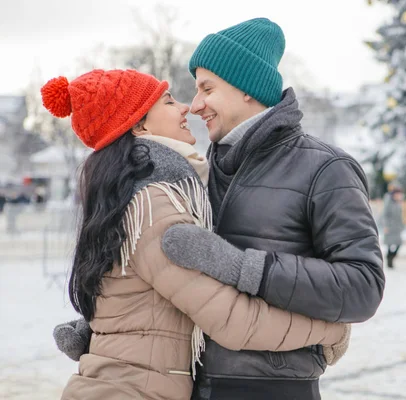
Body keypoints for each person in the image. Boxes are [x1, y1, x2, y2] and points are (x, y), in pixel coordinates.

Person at [42, 69, 350, 400]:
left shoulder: (129, 194)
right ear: (139, 125)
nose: (186, 107)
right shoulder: (153, 203)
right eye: (169, 101)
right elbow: (232, 320)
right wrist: (329, 329)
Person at [161, 17, 384, 400]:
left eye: (206, 88)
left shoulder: (325, 169)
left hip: (276, 388)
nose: (195, 104)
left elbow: (363, 286)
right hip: (191, 385)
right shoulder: (198, 170)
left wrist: (248, 269)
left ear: (246, 89)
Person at [382, 183, 404, 269]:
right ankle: (389, 261)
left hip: (397, 227)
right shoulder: (389, 202)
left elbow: (400, 216)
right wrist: (386, 226)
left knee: (398, 244)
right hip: (390, 227)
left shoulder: (398, 203)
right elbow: (385, 214)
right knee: (389, 244)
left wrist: (402, 226)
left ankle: (390, 257)